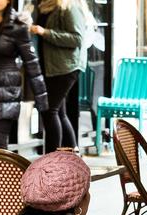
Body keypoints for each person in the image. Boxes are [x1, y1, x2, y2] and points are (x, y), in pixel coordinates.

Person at [0, 0, 48, 149]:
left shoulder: (17, 26)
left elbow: (32, 63)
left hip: (7, 91)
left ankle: (2, 172)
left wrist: (41, 99)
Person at [30, 0, 89, 152]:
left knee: (50, 111)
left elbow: (77, 39)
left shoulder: (69, 6)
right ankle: (73, 151)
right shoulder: (46, 6)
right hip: (51, 66)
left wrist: (45, 32)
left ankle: (51, 159)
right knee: (59, 112)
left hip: (65, 67)